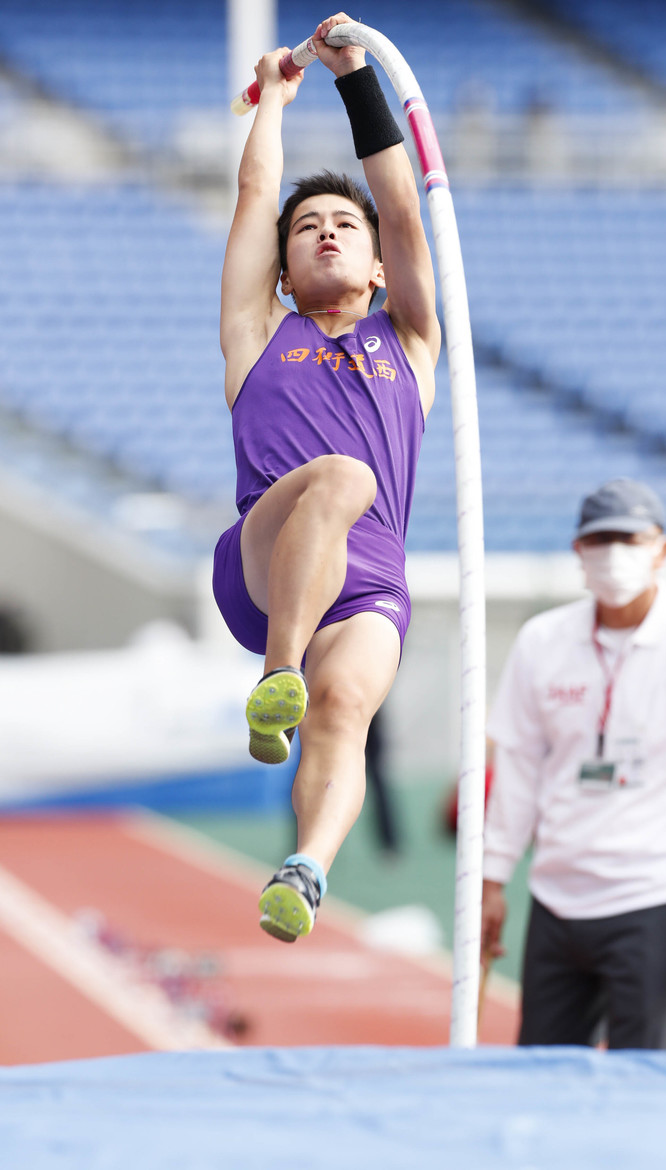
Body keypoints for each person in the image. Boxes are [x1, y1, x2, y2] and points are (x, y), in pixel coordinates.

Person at [212, 13, 440, 944]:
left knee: (345, 710)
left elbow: (403, 206)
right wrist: (273, 98)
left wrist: (358, 81)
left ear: (381, 268)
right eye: (308, 228)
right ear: (286, 262)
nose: (328, 234)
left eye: (344, 224)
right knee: (341, 476)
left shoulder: (412, 342)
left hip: (371, 584)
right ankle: (275, 679)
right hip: (266, 565)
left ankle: (307, 869)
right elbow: (256, 189)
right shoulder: (258, 336)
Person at [480, 478, 666, 1049]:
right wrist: (490, 877)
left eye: (629, 539)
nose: (613, 554)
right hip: (556, 897)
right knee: (541, 1074)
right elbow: (517, 769)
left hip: (654, 900)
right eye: (599, 539)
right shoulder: (542, 642)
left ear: (663, 549)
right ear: (578, 552)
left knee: (645, 1084)